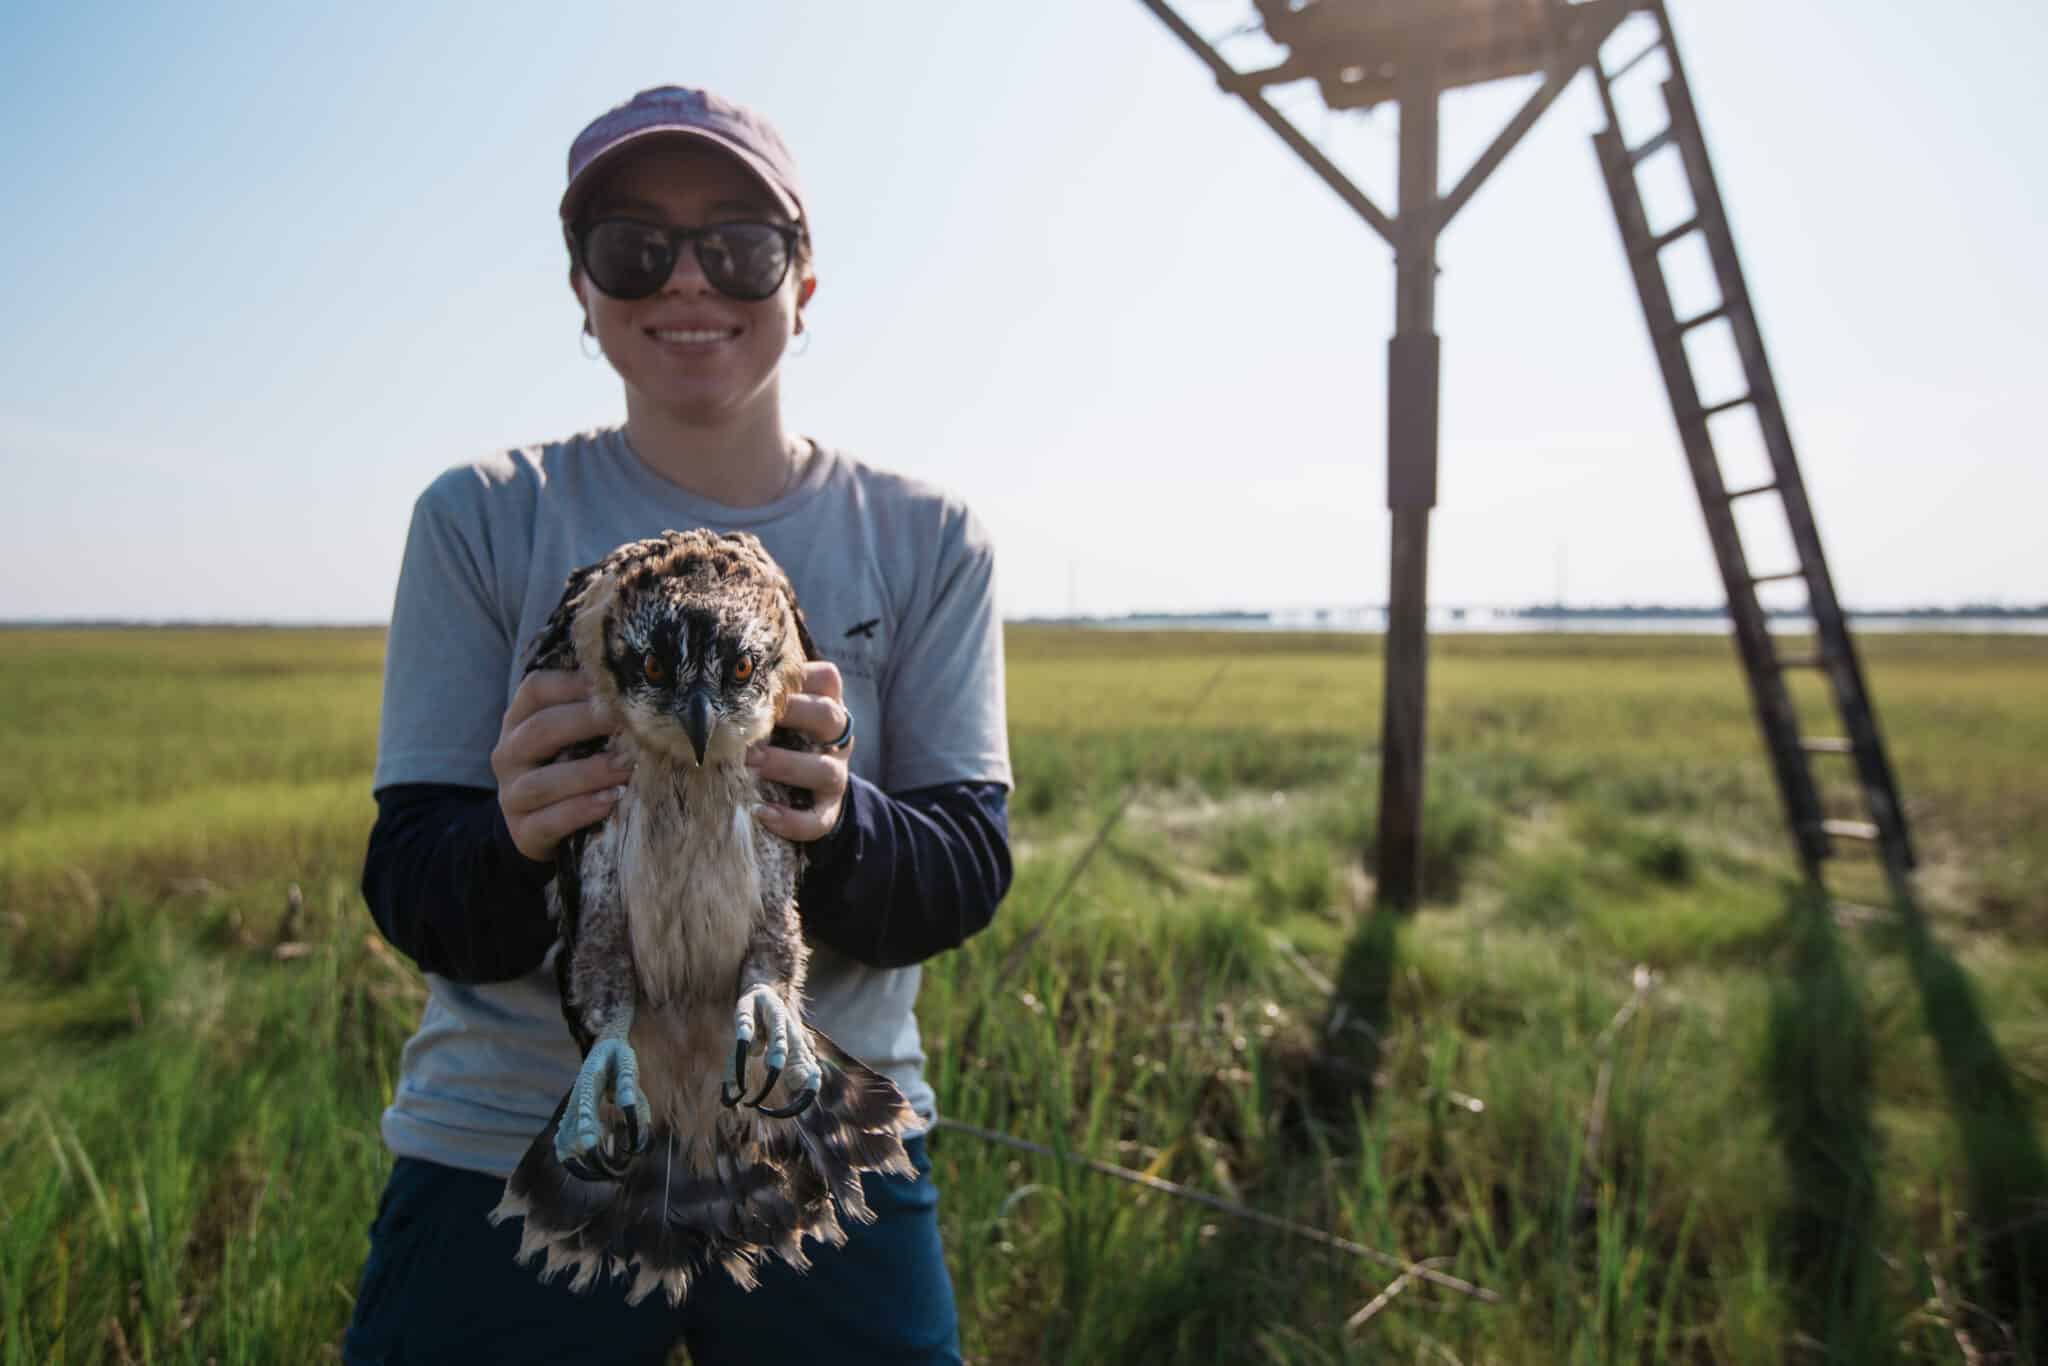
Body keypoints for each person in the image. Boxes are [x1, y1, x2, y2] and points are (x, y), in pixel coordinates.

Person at [343, 85, 1012, 1365]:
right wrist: (514, 839)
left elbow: (963, 873)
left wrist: (834, 817)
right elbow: (415, 887)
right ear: (583, 288)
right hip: (509, 1137)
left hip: (812, 1136)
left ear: (804, 283)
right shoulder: (484, 516)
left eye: (742, 245)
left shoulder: (925, 537)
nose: (688, 279)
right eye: (634, 248)